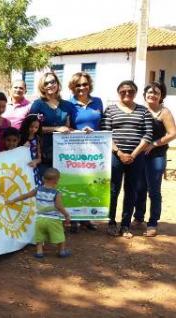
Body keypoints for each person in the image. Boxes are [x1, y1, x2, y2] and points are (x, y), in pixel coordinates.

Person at [100, 80, 153, 238]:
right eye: (123, 91)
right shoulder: (110, 110)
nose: (127, 93)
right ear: (118, 92)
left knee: (131, 191)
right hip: (116, 156)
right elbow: (106, 133)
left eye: (130, 91)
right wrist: (120, 153)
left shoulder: (144, 111)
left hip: (136, 157)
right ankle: (111, 223)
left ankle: (125, 225)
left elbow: (148, 135)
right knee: (113, 190)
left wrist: (134, 154)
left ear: (135, 93)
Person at [133, 82, 176, 237]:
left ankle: (152, 223)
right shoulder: (139, 110)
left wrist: (154, 144)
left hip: (156, 156)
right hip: (139, 155)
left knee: (154, 190)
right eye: (149, 92)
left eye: (156, 92)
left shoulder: (164, 112)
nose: (152, 94)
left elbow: (172, 133)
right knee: (139, 188)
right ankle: (138, 218)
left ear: (161, 96)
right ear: (144, 95)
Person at [6, 168, 71, 259]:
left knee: (39, 236)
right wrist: (66, 215)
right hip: (53, 220)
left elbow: (26, 195)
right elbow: (59, 206)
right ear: (56, 180)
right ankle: (62, 251)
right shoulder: (56, 193)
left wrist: (12, 200)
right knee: (60, 235)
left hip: (40, 219)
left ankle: (39, 252)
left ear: (43, 179)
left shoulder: (38, 190)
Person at [67, 72, 103, 232]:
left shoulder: (98, 102)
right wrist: (78, 131)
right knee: (76, 182)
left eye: (84, 84)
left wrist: (95, 132)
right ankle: (74, 219)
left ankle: (87, 218)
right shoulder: (69, 104)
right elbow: (66, 126)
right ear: (73, 87)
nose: (81, 88)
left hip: (96, 149)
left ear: (89, 85)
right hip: (75, 148)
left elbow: (102, 124)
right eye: (78, 85)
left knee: (91, 182)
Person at [29, 72, 75, 175]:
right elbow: (32, 128)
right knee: (45, 183)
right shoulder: (38, 104)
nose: (50, 85)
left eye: (52, 82)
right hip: (43, 151)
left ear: (58, 84)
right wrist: (56, 128)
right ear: (42, 87)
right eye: (46, 83)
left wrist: (83, 132)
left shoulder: (67, 105)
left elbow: (68, 127)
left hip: (63, 151)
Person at [19, 115, 43, 186]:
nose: (33, 129)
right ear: (26, 125)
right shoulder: (19, 137)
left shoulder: (37, 138)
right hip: (21, 166)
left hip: (32, 166)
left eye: (36, 127)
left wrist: (36, 161)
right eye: (31, 126)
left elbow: (39, 158)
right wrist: (22, 147)